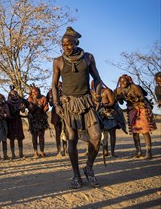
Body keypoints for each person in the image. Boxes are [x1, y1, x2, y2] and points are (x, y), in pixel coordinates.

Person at [52, 26, 103, 189]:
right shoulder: (58, 61)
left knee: (96, 137)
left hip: (87, 101)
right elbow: (53, 85)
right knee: (71, 140)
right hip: (69, 104)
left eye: (69, 44)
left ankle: (88, 167)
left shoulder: (88, 58)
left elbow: (98, 79)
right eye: (63, 44)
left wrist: (98, 95)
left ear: (76, 43)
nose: (66, 47)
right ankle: (76, 175)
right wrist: (56, 104)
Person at [114, 74, 157, 159]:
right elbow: (122, 103)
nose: (122, 83)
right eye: (121, 82)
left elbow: (141, 97)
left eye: (124, 81)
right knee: (135, 132)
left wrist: (134, 98)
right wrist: (119, 98)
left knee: (145, 131)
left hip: (141, 109)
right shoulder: (118, 90)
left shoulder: (134, 87)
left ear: (128, 81)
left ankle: (149, 153)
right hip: (132, 110)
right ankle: (139, 152)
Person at [91, 82, 127, 157]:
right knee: (103, 134)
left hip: (110, 113)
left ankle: (113, 152)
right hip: (100, 114)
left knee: (112, 133)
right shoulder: (93, 92)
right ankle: (105, 151)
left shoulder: (107, 91)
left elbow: (112, 102)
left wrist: (104, 105)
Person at [27, 85, 49, 158]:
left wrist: (45, 108)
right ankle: (35, 152)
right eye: (33, 92)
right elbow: (30, 109)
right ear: (31, 93)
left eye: (36, 91)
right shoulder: (29, 98)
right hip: (33, 119)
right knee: (34, 136)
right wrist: (33, 107)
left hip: (41, 118)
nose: (35, 93)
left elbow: (46, 107)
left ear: (39, 92)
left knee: (41, 136)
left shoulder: (43, 98)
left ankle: (42, 151)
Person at [6, 86, 28, 159]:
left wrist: (22, 108)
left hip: (18, 120)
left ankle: (21, 153)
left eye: (16, 94)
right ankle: (13, 154)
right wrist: (17, 108)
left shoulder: (20, 101)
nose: (15, 96)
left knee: (20, 137)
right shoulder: (8, 103)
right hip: (11, 121)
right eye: (13, 94)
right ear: (10, 95)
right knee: (11, 138)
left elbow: (23, 111)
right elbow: (9, 112)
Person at [47, 82, 68, 157]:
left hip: (65, 113)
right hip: (56, 113)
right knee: (58, 132)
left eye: (60, 85)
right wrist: (54, 99)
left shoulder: (65, 91)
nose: (59, 87)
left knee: (65, 132)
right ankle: (59, 151)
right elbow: (50, 104)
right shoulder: (50, 92)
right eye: (58, 86)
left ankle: (66, 150)